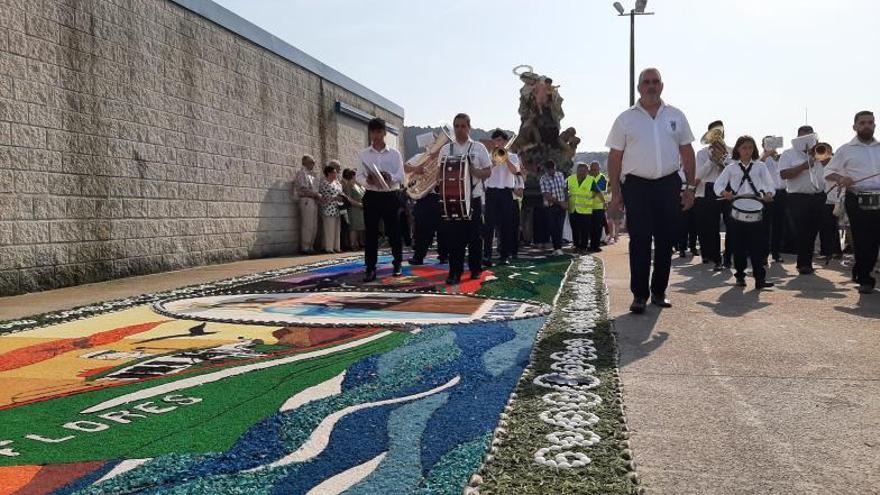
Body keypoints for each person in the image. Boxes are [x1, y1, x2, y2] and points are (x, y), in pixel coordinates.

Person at [606, 67, 697, 314]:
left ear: (662, 85)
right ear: (639, 88)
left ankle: (659, 291)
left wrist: (690, 187)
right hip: (636, 185)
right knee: (640, 240)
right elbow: (615, 158)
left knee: (666, 239)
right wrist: (616, 194)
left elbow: (687, 153)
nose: (651, 86)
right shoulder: (626, 119)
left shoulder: (676, 115)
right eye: (646, 82)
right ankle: (639, 294)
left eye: (655, 81)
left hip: (668, 184)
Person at [825, 110, 880, 294]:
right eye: (862, 122)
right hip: (857, 198)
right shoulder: (845, 150)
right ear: (855, 126)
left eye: (870, 122)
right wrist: (842, 178)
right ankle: (865, 277)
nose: (867, 125)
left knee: (875, 239)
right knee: (864, 239)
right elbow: (828, 172)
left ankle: (861, 270)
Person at [714, 136, 776, 289]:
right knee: (738, 244)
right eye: (744, 148)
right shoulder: (731, 168)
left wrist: (769, 194)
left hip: (757, 205)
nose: (748, 151)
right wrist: (724, 193)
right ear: (738, 150)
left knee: (758, 245)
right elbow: (718, 184)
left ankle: (760, 279)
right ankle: (740, 276)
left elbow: (769, 184)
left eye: (750, 148)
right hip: (736, 207)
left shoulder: (760, 166)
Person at [438, 113, 492, 285]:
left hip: (473, 198)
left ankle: (475, 269)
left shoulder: (479, 148)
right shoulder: (446, 149)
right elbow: (440, 171)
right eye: (456, 126)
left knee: (475, 236)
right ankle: (455, 272)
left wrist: (476, 172)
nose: (459, 129)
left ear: (469, 127)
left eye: (463, 126)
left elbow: (488, 171)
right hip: (453, 200)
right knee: (454, 238)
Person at [356, 118, 405, 282]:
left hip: (391, 195)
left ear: (384, 133)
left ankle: (397, 263)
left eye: (378, 132)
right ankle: (370, 268)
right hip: (372, 195)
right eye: (372, 132)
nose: (375, 136)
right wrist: (367, 180)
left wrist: (390, 177)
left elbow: (401, 176)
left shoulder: (395, 153)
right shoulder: (363, 154)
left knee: (394, 232)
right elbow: (359, 176)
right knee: (370, 233)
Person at [779, 125, 826, 275]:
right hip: (797, 197)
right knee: (801, 231)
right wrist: (804, 166)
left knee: (813, 231)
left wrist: (821, 155)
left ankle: (806, 261)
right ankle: (804, 263)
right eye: (803, 138)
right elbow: (784, 174)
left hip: (818, 196)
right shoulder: (788, 154)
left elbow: (831, 167)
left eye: (810, 137)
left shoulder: (820, 152)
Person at [405, 140, 447, 265]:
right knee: (421, 229)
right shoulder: (420, 157)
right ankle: (418, 256)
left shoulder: (447, 159)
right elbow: (405, 167)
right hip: (425, 197)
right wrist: (416, 169)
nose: (439, 147)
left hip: (443, 196)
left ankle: (444, 256)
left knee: (444, 229)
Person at [694, 121, 729, 270]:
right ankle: (716, 259)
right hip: (709, 188)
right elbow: (698, 175)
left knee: (731, 224)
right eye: (714, 133)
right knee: (711, 225)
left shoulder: (731, 151)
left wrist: (723, 159)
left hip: (727, 188)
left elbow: (734, 171)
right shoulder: (702, 153)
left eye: (719, 133)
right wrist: (711, 161)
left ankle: (728, 256)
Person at [483, 129, 521, 266]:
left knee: (506, 225)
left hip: (506, 192)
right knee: (489, 226)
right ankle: (486, 255)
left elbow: (515, 171)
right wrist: (494, 160)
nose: (498, 142)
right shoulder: (487, 156)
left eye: (500, 140)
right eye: (495, 140)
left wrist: (506, 158)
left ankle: (504, 255)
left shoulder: (513, 156)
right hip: (491, 192)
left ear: (505, 141)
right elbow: (486, 173)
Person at [760, 136, 786, 262]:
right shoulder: (761, 159)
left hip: (781, 193)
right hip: (767, 194)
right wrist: (766, 155)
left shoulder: (780, 158)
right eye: (769, 143)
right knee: (765, 226)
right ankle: (763, 254)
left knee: (778, 225)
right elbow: (757, 167)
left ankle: (776, 253)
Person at [540, 159, 568, 255]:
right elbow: (547, 196)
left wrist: (566, 202)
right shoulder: (543, 179)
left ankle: (558, 248)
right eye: (549, 170)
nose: (551, 172)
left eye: (552, 169)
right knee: (553, 227)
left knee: (559, 227)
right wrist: (561, 203)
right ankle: (556, 248)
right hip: (550, 207)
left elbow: (564, 189)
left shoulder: (560, 175)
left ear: (554, 168)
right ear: (546, 170)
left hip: (561, 206)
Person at [295, 154, 320, 254]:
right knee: (308, 224)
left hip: (313, 200)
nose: (313, 164)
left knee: (314, 225)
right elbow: (303, 189)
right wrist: (316, 194)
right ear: (304, 162)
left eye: (314, 162)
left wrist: (316, 195)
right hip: (306, 200)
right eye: (311, 162)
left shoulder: (312, 174)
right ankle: (305, 247)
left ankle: (311, 246)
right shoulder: (302, 173)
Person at [566, 162, 593, 253]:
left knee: (584, 230)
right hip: (573, 209)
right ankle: (576, 245)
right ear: (577, 170)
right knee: (575, 229)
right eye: (580, 170)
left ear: (587, 172)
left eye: (584, 171)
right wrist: (566, 200)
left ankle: (583, 247)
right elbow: (563, 189)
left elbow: (598, 192)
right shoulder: (570, 179)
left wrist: (603, 202)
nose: (582, 172)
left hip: (585, 210)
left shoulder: (590, 180)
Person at [318, 163, 346, 253]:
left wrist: (342, 198)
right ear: (328, 173)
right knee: (329, 229)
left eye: (336, 172)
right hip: (328, 209)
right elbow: (324, 197)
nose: (336, 174)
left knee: (337, 229)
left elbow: (341, 193)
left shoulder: (337, 183)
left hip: (338, 208)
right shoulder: (324, 184)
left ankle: (336, 247)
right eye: (334, 172)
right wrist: (335, 198)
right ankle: (328, 248)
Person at [342, 168, 365, 251]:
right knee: (353, 228)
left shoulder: (356, 185)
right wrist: (359, 204)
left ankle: (357, 243)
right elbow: (348, 198)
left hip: (359, 209)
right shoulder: (348, 185)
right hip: (353, 209)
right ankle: (352, 244)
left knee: (358, 227)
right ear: (352, 176)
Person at [588, 161, 608, 252]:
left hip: (599, 207)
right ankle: (591, 244)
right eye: (591, 169)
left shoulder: (602, 178)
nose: (593, 171)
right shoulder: (588, 178)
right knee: (590, 228)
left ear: (599, 169)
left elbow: (598, 190)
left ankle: (595, 245)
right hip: (588, 207)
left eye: (595, 169)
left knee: (597, 228)